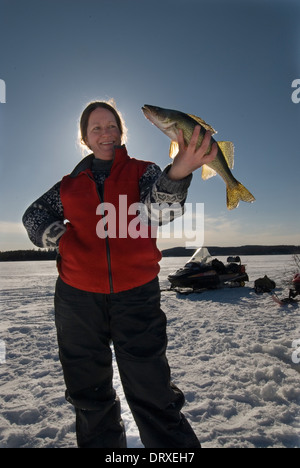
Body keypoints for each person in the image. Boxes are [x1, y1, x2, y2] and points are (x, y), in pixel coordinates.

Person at [22, 100, 217, 448]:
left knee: (152, 391)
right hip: (77, 299)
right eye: (96, 128)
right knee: (89, 396)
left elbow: (158, 215)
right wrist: (64, 239)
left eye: (111, 125)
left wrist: (179, 171)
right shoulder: (68, 185)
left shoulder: (144, 171)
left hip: (136, 295)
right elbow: (33, 216)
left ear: (122, 131)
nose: (105, 133)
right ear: (84, 137)